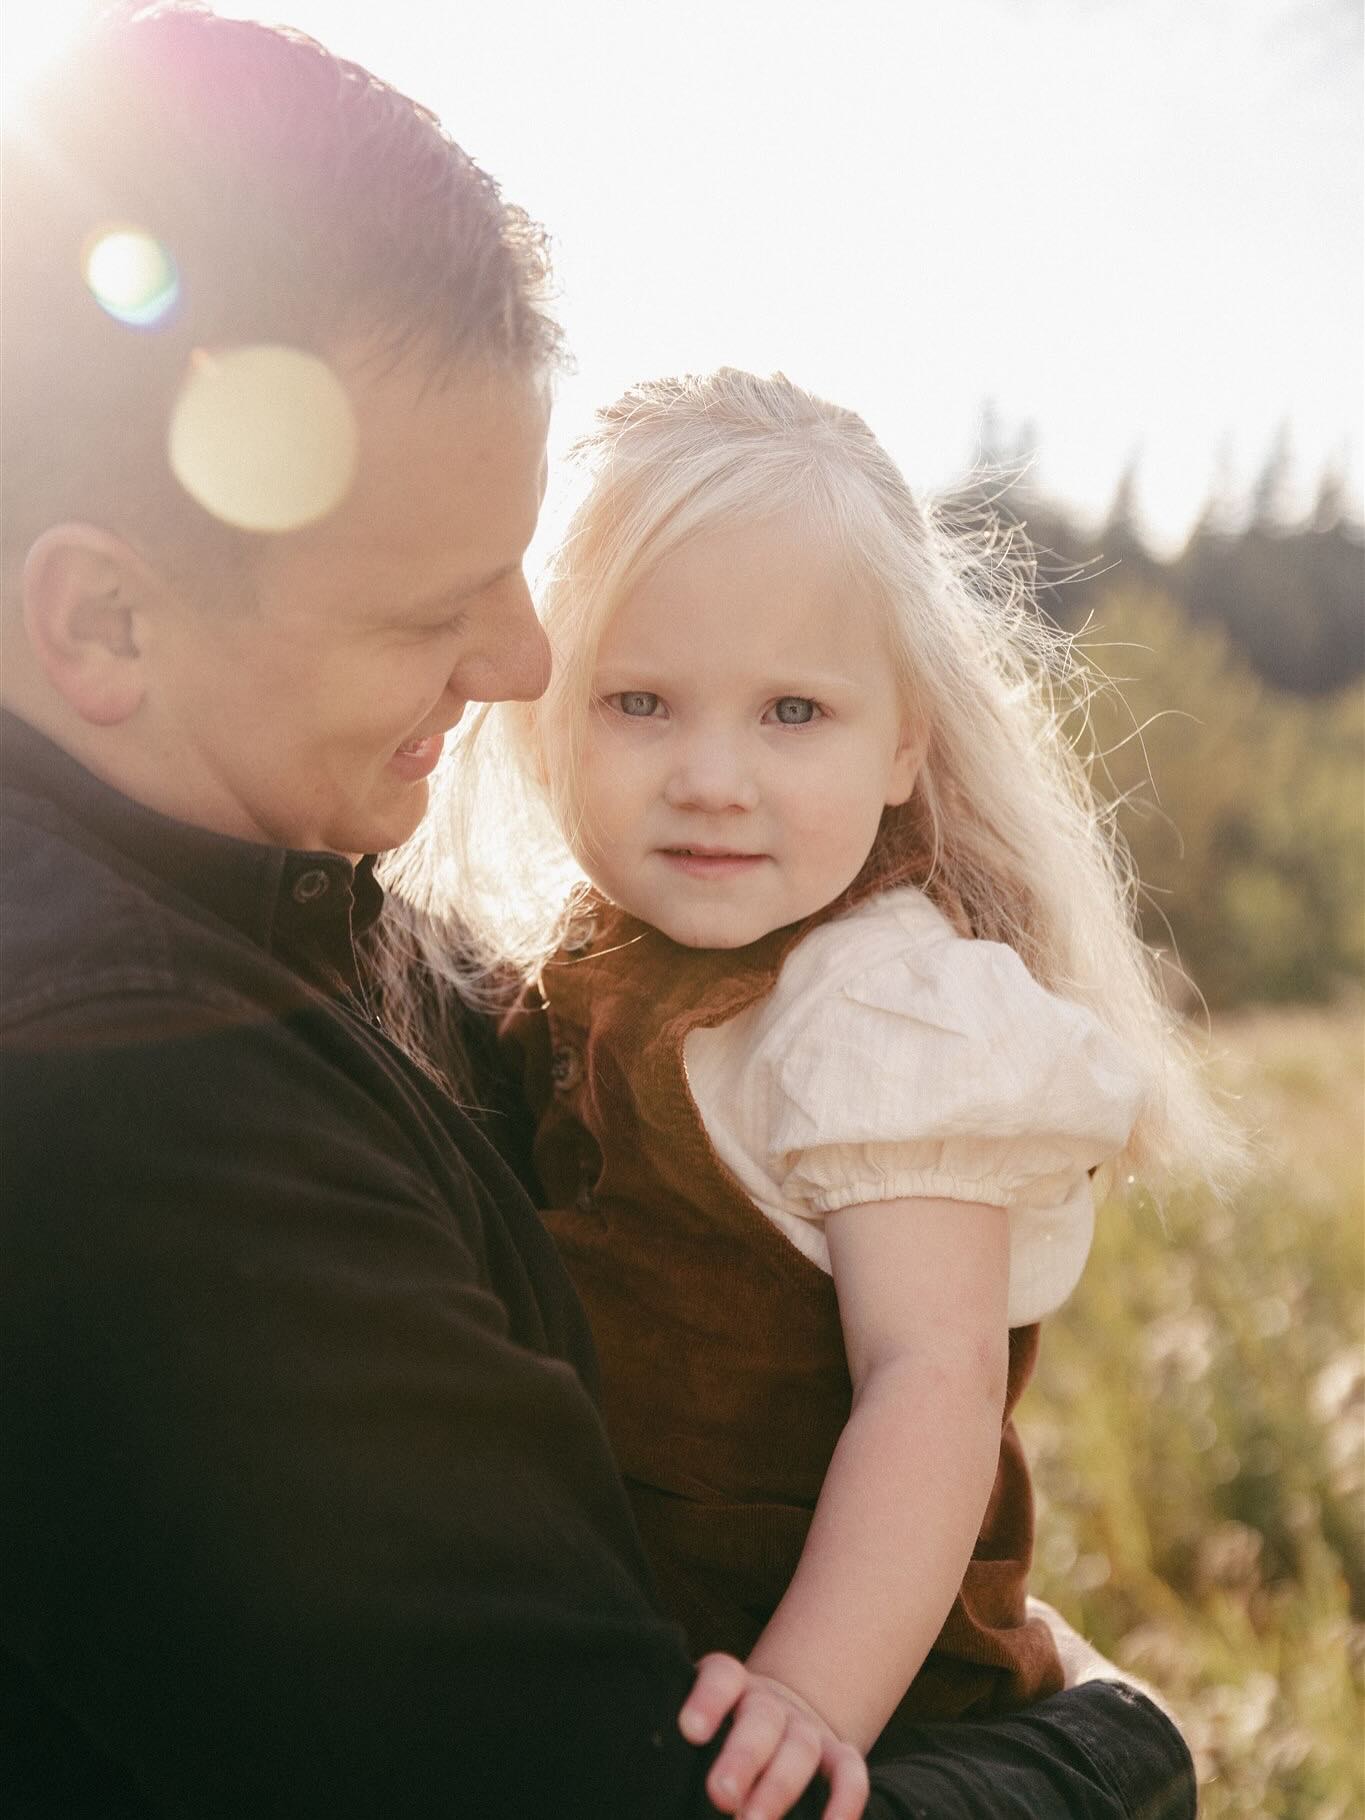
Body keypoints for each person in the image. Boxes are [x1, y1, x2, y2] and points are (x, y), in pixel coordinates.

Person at [0, 6, 1196, 1815]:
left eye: (791, 711)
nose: (524, 663)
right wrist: (1114, 1750)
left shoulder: (322, 920)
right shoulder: (127, 1094)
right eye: (431, 610)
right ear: (103, 622)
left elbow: (924, 1381)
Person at [399, 369, 1245, 1815]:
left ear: (904, 742)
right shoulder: (585, 958)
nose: (711, 776)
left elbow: (932, 1382)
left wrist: (810, 1692)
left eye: (792, 710)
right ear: (546, 725)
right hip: (655, 1637)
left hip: (865, 1702)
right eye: (639, 701)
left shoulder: (881, 1010)